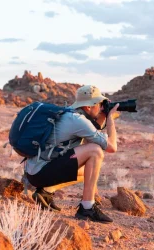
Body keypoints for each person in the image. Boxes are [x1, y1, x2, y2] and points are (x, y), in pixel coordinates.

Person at [24, 85, 120, 223]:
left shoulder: (70, 114)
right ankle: (87, 208)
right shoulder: (78, 121)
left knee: (90, 169)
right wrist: (110, 118)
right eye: (99, 104)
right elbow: (112, 147)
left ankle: (45, 191)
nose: (101, 108)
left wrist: (103, 115)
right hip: (41, 172)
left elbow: (90, 137)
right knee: (95, 151)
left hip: (35, 171)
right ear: (88, 107)